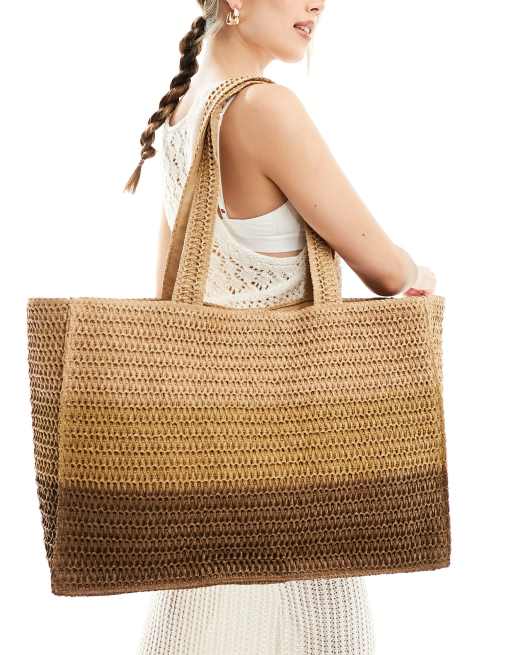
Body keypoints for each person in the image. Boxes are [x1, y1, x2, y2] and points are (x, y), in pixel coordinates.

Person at [124, 2, 436, 653]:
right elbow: (384, 270)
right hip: (295, 450)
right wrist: (417, 272)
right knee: (322, 631)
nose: (318, 2)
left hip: (214, 457)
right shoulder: (263, 107)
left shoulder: (183, 110)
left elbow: (168, 296)